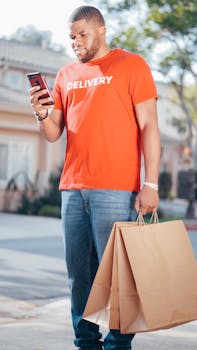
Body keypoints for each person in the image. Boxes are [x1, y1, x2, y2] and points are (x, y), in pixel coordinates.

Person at [29, 5, 161, 350]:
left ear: (101, 30)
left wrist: (152, 183)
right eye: (72, 37)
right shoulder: (66, 74)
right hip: (72, 188)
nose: (76, 42)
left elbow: (149, 125)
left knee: (117, 276)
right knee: (80, 277)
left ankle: (119, 344)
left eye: (82, 34)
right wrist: (42, 113)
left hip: (116, 188)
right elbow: (53, 133)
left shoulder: (131, 65)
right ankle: (85, 342)